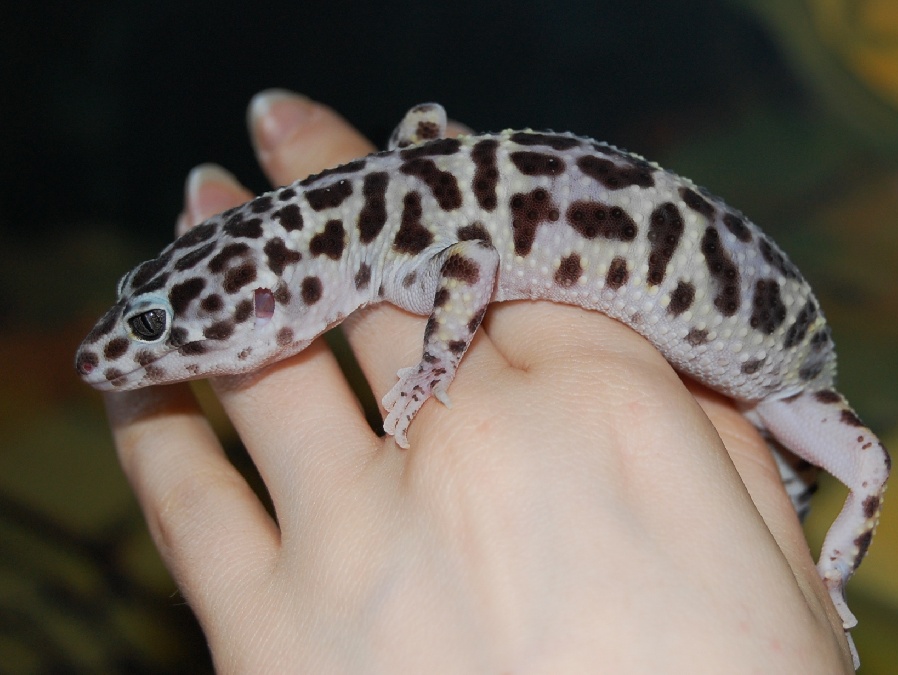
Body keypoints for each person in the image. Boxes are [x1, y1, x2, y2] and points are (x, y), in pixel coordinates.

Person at [104, 89, 855, 672]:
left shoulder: (404, 261)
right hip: (737, 332)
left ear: (267, 304)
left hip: (769, 351)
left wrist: (437, 360)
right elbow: (426, 119)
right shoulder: (391, 230)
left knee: (851, 471)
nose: (123, 355)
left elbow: (471, 260)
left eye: (154, 327)